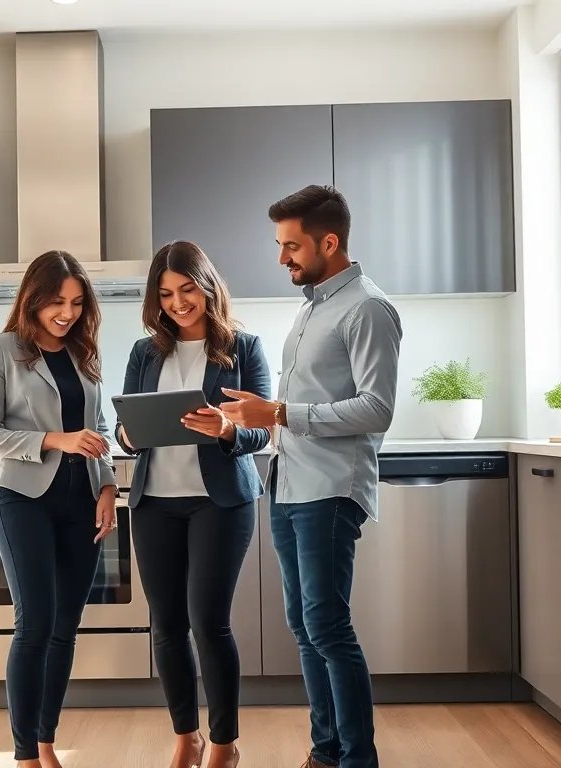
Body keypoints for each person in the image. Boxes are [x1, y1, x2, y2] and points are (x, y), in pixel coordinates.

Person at [221, 185, 402, 768]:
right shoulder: (311, 307)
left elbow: (377, 408)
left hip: (331, 488)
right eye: (280, 245)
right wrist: (256, 418)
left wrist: (277, 413)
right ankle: (326, 752)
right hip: (289, 483)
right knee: (304, 624)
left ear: (329, 242)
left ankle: (357, 759)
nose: (282, 258)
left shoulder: (367, 308)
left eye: (291, 246)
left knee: (326, 623)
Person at [115, 241, 273, 768]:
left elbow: (262, 430)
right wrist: (127, 435)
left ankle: (225, 743)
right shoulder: (145, 352)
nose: (178, 303)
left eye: (187, 290)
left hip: (219, 503)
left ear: (207, 287)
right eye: (166, 294)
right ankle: (187, 737)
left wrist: (227, 429)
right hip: (154, 502)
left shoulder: (244, 348)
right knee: (167, 626)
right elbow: (125, 427)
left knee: (208, 622)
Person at [0, 250, 120, 768]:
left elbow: (98, 432)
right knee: (34, 624)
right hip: (24, 500)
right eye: (57, 302)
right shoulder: (1, 349)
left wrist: (108, 487)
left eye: (77, 303)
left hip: (83, 502)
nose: (67, 313)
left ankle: (45, 744)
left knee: (64, 629)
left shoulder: (84, 352)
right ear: (33, 298)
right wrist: (56, 438)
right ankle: (24, 756)